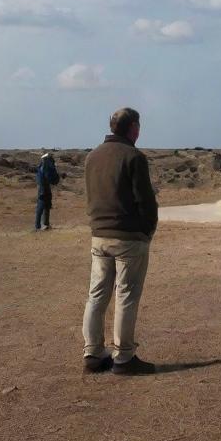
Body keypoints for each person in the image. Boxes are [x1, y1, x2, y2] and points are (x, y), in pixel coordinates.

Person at [81, 107, 159, 376]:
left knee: (97, 295)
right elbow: (146, 200)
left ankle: (92, 353)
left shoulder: (92, 156)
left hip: (99, 236)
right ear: (133, 127)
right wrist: (148, 230)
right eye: (138, 126)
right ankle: (124, 357)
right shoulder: (133, 157)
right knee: (126, 295)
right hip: (128, 239)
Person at [34, 152, 61, 230]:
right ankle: (39, 226)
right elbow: (49, 176)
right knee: (42, 205)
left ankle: (44, 224)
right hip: (43, 187)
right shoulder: (45, 166)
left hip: (44, 186)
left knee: (46, 205)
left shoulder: (42, 165)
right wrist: (56, 179)